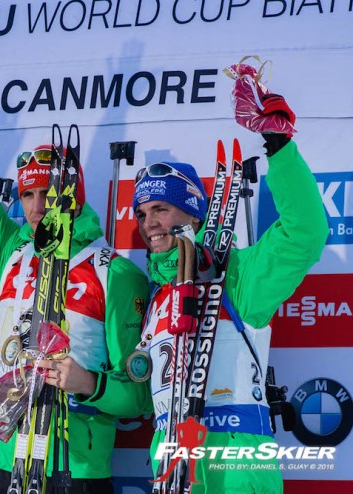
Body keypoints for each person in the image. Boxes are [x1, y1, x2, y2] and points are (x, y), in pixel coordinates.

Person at [0, 6, 152, 493]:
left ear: (76, 192)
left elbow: (141, 398)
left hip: (73, 462)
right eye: (28, 193)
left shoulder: (116, 273)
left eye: (49, 192)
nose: (39, 205)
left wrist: (88, 383)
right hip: (0, 453)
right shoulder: (8, 249)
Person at [131, 91, 328, 492]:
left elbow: (305, 234)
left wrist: (279, 146)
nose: (148, 222)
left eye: (161, 209)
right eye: (141, 213)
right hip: (172, 466)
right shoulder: (156, 298)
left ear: (191, 212)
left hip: (235, 466)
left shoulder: (235, 275)